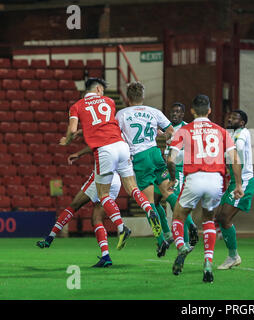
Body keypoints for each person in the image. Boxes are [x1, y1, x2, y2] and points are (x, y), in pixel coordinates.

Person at [60, 77, 162, 248]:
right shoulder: (109, 102)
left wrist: (68, 140)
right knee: (132, 188)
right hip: (122, 147)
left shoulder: (76, 106)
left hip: (105, 151)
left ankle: (122, 227)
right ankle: (148, 209)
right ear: (99, 90)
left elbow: (73, 129)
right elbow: (103, 124)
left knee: (103, 194)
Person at [167, 94, 244, 283]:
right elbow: (235, 159)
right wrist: (239, 184)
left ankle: (181, 246)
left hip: (194, 177)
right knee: (209, 219)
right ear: (209, 111)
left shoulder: (184, 130)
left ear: (192, 111)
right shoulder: (221, 131)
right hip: (215, 180)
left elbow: (170, 159)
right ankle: (208, 261)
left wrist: (171, 179)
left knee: (178, 215)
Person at [115, 81, 175, 257]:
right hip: (156, 154)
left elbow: (117, 137)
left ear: (127, 97)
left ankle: (160, 241)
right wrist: (164, 138)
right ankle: (183, 230)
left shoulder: (121, 114)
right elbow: (171, 131)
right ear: (143, 96)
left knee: (149, 204)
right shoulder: (153, 112)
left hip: (140, 159)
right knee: (168, 194)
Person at [36, 146, 122, 267]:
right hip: (116, 179)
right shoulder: (121, 139)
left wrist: (78, 153)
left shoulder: (104, 133)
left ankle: (49, 238)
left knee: (74, 205)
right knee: (96, 219)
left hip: (101, 176)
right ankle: (105, 256)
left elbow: (94, 144)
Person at [215, 110, 254, 270]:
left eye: (235, 117)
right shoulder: (230, 134)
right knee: (221, 217)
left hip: (243, 182)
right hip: (235, 181)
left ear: (242, 122)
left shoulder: (242, 133)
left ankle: (233, 256)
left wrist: (238, 184)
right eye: (229, 116)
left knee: (224, 217)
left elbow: (237, 152)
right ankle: (233, 256)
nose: (230, 118)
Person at [155, 102, 198, 248]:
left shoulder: (187, 129)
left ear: (183, 114)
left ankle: (187, 237)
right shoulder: (169, 129)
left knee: (177, 207)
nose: (174, 114)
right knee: (154, 201)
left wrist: (169, 155)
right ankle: (167, 233)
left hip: (179, 169)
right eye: (172, 111)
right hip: (167, 169)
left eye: (178, 112)